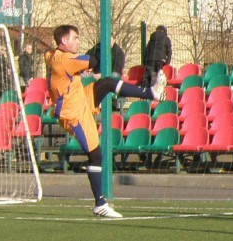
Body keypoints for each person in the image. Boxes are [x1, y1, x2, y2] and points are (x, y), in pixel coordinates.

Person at [44, 24, 167, 218]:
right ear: (64, 41)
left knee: (108, 83)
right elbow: (94, 60)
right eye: (75, 38)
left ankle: (152, 92)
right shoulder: (64, 59)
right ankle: (100, 204)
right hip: (73, 112)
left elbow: (59, 57)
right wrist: (105, 45)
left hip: (79, 98)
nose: (78, 42)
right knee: (96, 156)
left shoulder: (53, 55)